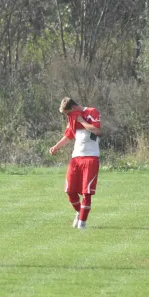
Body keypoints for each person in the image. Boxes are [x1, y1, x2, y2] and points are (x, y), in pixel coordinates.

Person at [50, 97, 102, 229]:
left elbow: (96, 130)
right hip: (76, 158)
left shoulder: (91, 112)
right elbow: (69, 135)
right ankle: (79, 212)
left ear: (73, 108)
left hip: (90, 157)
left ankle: (82, 225)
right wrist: (56, 147)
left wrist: (81, 121)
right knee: (69, 190)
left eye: (68, 113)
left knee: (87, 192)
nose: (68, 116)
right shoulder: (72, 118)